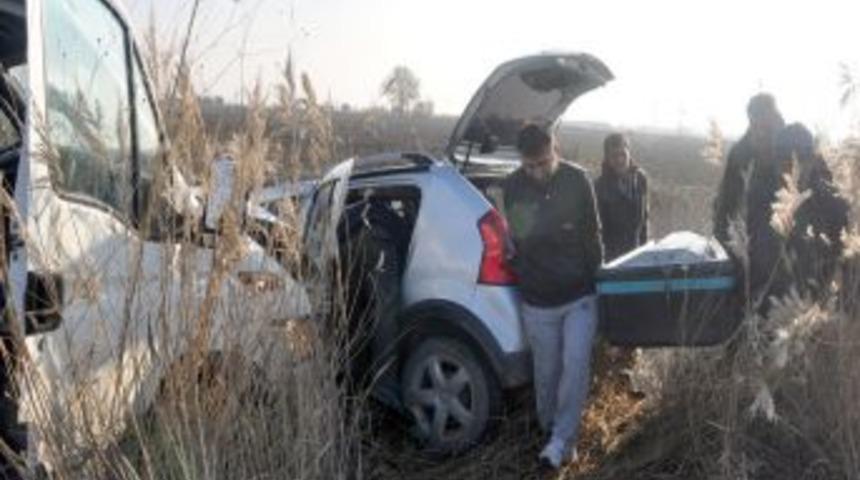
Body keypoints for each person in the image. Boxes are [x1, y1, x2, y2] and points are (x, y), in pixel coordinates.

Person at [502, 124, 603, 469]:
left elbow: (593, 236)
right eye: (530, 166)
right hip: (538, 301)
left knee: (574, 367)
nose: (538, 172)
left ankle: (562, 440)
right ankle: (550, 431)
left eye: (544, 163)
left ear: (555, 150)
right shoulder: (513, 186)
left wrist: (598, 284)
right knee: (546, 375)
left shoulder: (578, 181)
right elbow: (523, 238)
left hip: (580, 296)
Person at [712, 93, 787, 309]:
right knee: (747, 303)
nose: (760, 125)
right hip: (748, 241)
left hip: (786, 247)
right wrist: (720, 240)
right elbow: (726, 201)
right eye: (755, 120)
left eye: (765, 118)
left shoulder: (792, 143)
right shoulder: (741, 152)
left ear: (774, 115)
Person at [774, 123, 849, 301]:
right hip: (785, 303)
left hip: (817, 306)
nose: (784, 172)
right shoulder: (779, 195)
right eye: (781, 163)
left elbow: (847, 264)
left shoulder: (830, 201)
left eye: (792, 163)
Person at [595, 133, 649, 262]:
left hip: (637, 253)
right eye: (614, 155)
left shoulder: (641, 178)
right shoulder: (599, 187)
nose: (619, 160)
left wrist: (645, 251)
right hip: (612, 258)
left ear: (629, 153)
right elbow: (597, 231)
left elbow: (645, 220)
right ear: (607, 158)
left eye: (623, 154)